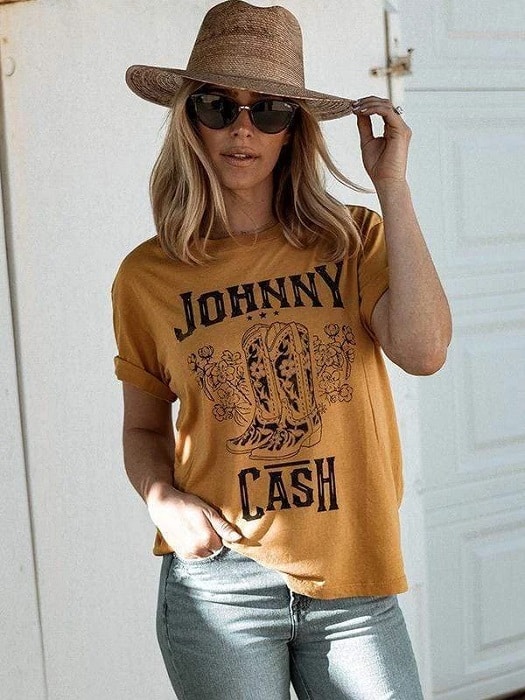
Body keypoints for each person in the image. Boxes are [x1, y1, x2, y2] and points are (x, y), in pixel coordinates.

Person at [111, 1, 452, 698]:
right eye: (217, 106)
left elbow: (423, 352)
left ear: (294, 130)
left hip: (352, 584)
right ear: (188, 119)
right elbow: (144, 427)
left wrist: (391, 186)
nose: (243, 128)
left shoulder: (352, 240)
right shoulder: (147, 276)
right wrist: (161, 500)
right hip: (221, 588)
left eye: (268, 111)